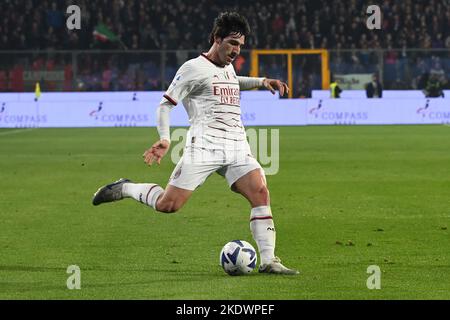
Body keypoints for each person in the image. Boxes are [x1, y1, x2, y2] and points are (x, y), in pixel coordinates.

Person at [92, 12, 299, 275]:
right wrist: (165, 138)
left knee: (260, 191)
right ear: (216, 38)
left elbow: (233, 82)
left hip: (236, 146)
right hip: (204, 147)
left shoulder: (228, 67)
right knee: (169, 205)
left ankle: (269, 260)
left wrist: (261, 82)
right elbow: (165, 105)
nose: (236, 50)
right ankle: (126, 188)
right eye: (232, 43)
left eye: (240, 45)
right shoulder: (192, 68)